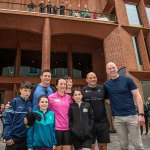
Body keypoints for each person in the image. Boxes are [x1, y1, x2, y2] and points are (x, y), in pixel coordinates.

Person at [104, 62, 145, 150]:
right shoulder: (106, 85)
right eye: (109, 68)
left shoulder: (127, 80)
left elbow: (137, 96)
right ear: (107, 71)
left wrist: (141, 114)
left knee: (138, 145)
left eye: (113, 67)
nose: (112, 70)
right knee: (123, 145)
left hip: (132, 116)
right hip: (118, 119)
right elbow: (106, 98)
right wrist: (114, 103)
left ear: (116, 68)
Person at [82, 72, 110, 150]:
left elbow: (109, 100)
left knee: (103, 146)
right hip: (89, 121)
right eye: (90, 78)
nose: (93, 79)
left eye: (94, 77)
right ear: (87, 80)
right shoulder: (83, 90)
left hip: (102, 121)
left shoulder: (102, 88)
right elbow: (81, 105)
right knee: (91, 146)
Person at [4, 81, 32, 150]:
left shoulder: (30, 104)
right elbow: (8, 120)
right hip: (13, 139)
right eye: (25, 90)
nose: (27, 93)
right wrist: (7, 136)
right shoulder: (14, 102)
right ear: (20, 90)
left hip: (25, 139)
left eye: (29, 91)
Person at [48, 78, 72, 150]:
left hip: (67, 128)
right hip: (56, 128)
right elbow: (46, 111)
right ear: (56, 86)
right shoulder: (51, 97)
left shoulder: (69, 98)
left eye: (64, 84)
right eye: (61, 84)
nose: (63, 85)